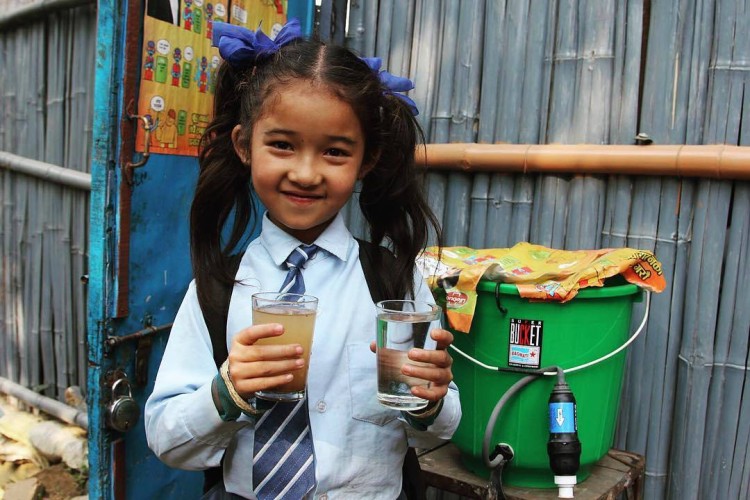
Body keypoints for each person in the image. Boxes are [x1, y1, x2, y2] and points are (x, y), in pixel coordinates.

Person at [144, 18, 461, 500]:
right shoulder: (218, 288)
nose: (306, 173)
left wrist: (429, 402)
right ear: (244, 145)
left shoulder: (392, 283)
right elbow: (167, 439)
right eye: (282, 145)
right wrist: (225, 393)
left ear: (366, 160)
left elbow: (438, 431)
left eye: (334, 151)